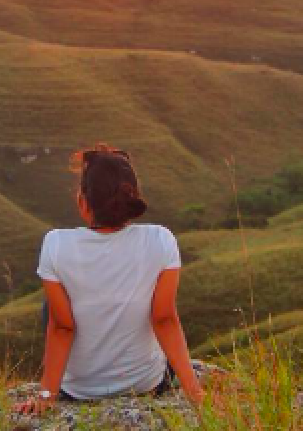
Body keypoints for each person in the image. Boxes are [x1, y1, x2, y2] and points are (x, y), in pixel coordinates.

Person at [15, 143, 205, 415]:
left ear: (83, 201)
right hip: (144, 384)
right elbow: (164, 319)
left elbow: (62, 328)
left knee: (53, 308)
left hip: (79, 390)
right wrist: (195, 394)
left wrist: (45, 397)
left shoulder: (56, 244)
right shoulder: (160, 239)